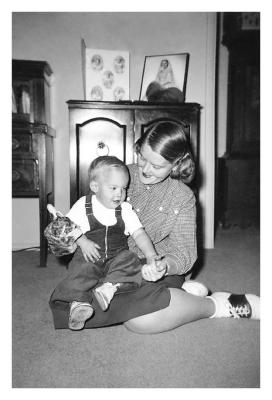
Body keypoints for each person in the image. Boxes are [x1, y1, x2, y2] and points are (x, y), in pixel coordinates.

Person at [49, 121, 260, 333]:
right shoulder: (121, 175)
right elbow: (90, 214)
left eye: (157, 166)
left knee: (141, 321)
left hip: (155, 267)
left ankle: (218, 305)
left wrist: (162, 265)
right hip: (112, 265)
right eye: (142, 157)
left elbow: (184, 252)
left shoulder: (182, 197)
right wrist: (67, 236)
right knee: (75, 301)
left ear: (176, 165)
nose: (144, 169)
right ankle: (178, 298)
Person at [49, 156, 169, 330]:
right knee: (80, 270)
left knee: (131, 260)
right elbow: (68, 227)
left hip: (116, 256)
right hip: (90, 255)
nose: (119, 194)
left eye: (124, 188)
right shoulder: (84, 205)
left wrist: (151, 255)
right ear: (95, 187)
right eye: (113, 188)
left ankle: (109, 287)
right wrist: (83, 242)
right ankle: (78, 304)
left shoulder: (126, 209)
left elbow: (140, 234)